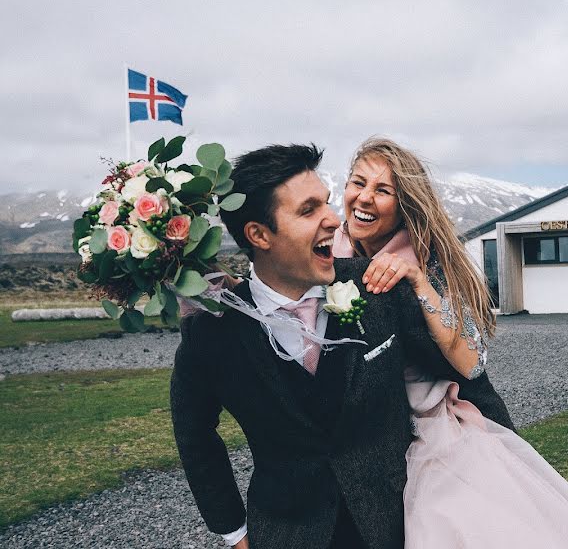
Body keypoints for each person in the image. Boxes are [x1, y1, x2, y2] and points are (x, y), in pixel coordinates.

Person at [170, 144, 512, 549]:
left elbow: (467, 377)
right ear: (259, 235)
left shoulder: (380, 284)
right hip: (286, 533)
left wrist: (510, 474)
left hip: (402, 526)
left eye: (328, 204)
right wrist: (234, 533)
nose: (334, 220)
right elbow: (195, 435)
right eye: (308, 210)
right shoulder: (211, 328)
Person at [334, 137, 568, 548]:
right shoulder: (328, 252)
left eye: (383, 190)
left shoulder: (428, 260)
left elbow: (472, 362)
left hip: (431, 422)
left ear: (405, 206)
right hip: (363, 428)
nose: (364, 198)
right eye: (358, 183)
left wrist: (418, 280)